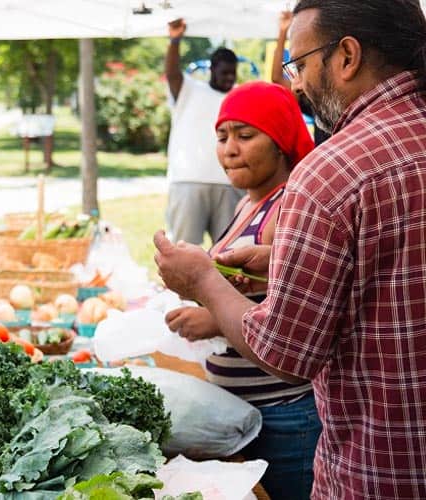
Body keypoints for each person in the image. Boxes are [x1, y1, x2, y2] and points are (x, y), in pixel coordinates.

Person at [154, 1, 426, 498]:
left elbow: (287, 352)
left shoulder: (333, 171)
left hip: (379, 471)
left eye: (299, 65)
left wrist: (203, 283)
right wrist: (275, 264)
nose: (296, 84)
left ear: (346, 56)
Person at [165, 81, 318, 500]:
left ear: (282, 139)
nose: (230, 148)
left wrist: (213, 318)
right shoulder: (245, 203)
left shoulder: (286, 206)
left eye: (245, 135)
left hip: (285, 416)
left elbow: (297, 311)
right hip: (250, 413)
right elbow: (250, 292)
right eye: (222, 136)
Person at [163, 18, 243, 246]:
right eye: (225, 72)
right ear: (212, 69)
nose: (230, 78)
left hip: (230, 184)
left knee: (229, 254)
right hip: (188, 182)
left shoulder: (239, 95)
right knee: (183, 251)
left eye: (233, 73)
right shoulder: (189, 89)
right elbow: (171, 73)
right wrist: (175, 40)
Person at [270, 10, 331, 145]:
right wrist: (283, 32)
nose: (296, 86)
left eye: (302, 66)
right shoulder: (316, 101)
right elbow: (277, 78)